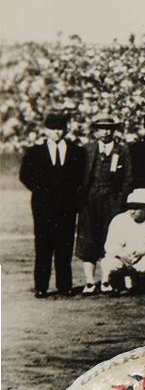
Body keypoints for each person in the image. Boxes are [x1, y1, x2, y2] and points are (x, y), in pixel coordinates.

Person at [19, 110, 85, 297]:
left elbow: (81, 177)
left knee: (65, 244)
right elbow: (25, 175)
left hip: (67, 205)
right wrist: (41, 191)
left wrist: (72, 195)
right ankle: (41, 286)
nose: (57, 132)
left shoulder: (76, 151)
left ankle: (65, 285)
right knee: (43, 245)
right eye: (53, 128)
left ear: (65, 130)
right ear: (46, 130)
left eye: (60, 128)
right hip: (43, 205)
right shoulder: (34, 152)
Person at [75, 114, 131, 293]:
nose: (105, 132)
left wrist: (121, 200)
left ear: (114, 131)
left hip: (112, 200)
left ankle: (107, 279)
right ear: (96, 131)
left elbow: (128, 177)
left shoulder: (122, 150)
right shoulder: (87, 150)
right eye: (101, 128)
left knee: (111, 239)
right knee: (89, 239)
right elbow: (78, 178)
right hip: (90, 201)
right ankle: (90, 281)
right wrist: (81, 199)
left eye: (109, 128)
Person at [101, 195, 145, 291]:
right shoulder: (119, 220)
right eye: (130, 208)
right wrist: (122, 255)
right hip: (125, 258)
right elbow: (110, 245)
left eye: (136, 208)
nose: (132, 211)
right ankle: (119, 280)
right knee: (108, 263)